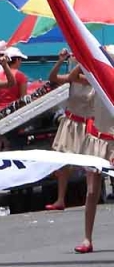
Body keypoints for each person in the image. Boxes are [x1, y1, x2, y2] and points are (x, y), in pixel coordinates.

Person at [47, 49, 94, 214]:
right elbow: (52, 78)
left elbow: (74, 77)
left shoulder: (93, 79)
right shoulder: (74, 77)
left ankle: (91, 197)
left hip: (87, 124)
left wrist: (83, 59)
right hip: (72, 122)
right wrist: (60, 61)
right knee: (63, 162)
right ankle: (60, 199)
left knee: (91, 165)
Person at [77, 46, 114, 254]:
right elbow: (74, 76)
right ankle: (87, 238)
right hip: (96, 139)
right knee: (91, 191)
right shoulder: (96, 82)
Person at [0, 46, 28, 112]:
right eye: (20, 60)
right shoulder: (20, 76)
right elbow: (23, 99)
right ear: (17, 60)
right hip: (14, 112)